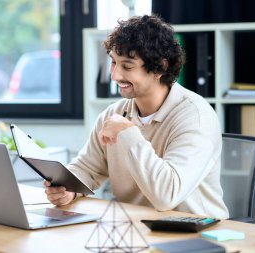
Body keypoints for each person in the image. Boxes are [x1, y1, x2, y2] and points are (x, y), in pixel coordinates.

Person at [44, 14, 229, 219]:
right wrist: (69, 188)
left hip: (194, 236)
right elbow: (87, 169)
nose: (115, 75)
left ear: (160, 67)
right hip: (135, 230)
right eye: (114, 63)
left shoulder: (196, 117)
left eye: (127, 66)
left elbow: (166, 196)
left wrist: (129, 133)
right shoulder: (114, 114)